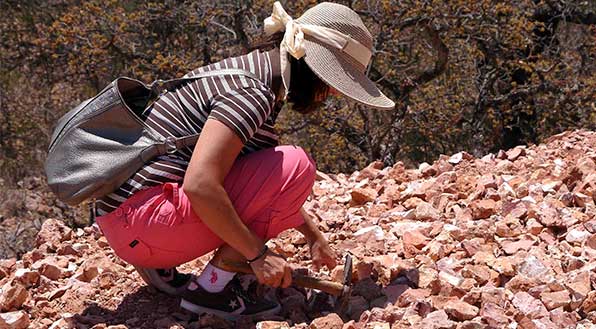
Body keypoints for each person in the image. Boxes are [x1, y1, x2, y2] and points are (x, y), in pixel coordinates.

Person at [94, 1, 395, 320]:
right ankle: (212, 289)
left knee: (275, 168)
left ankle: (160, 265)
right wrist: (258, 254)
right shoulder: (253, 93)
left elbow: (258, 185)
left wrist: (313, 236)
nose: (333, 93)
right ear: (313, 67)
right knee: (297, 164)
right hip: (143, 225)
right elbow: (199, 185)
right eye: (334, 81)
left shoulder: (250, 70)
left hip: (126, 220)